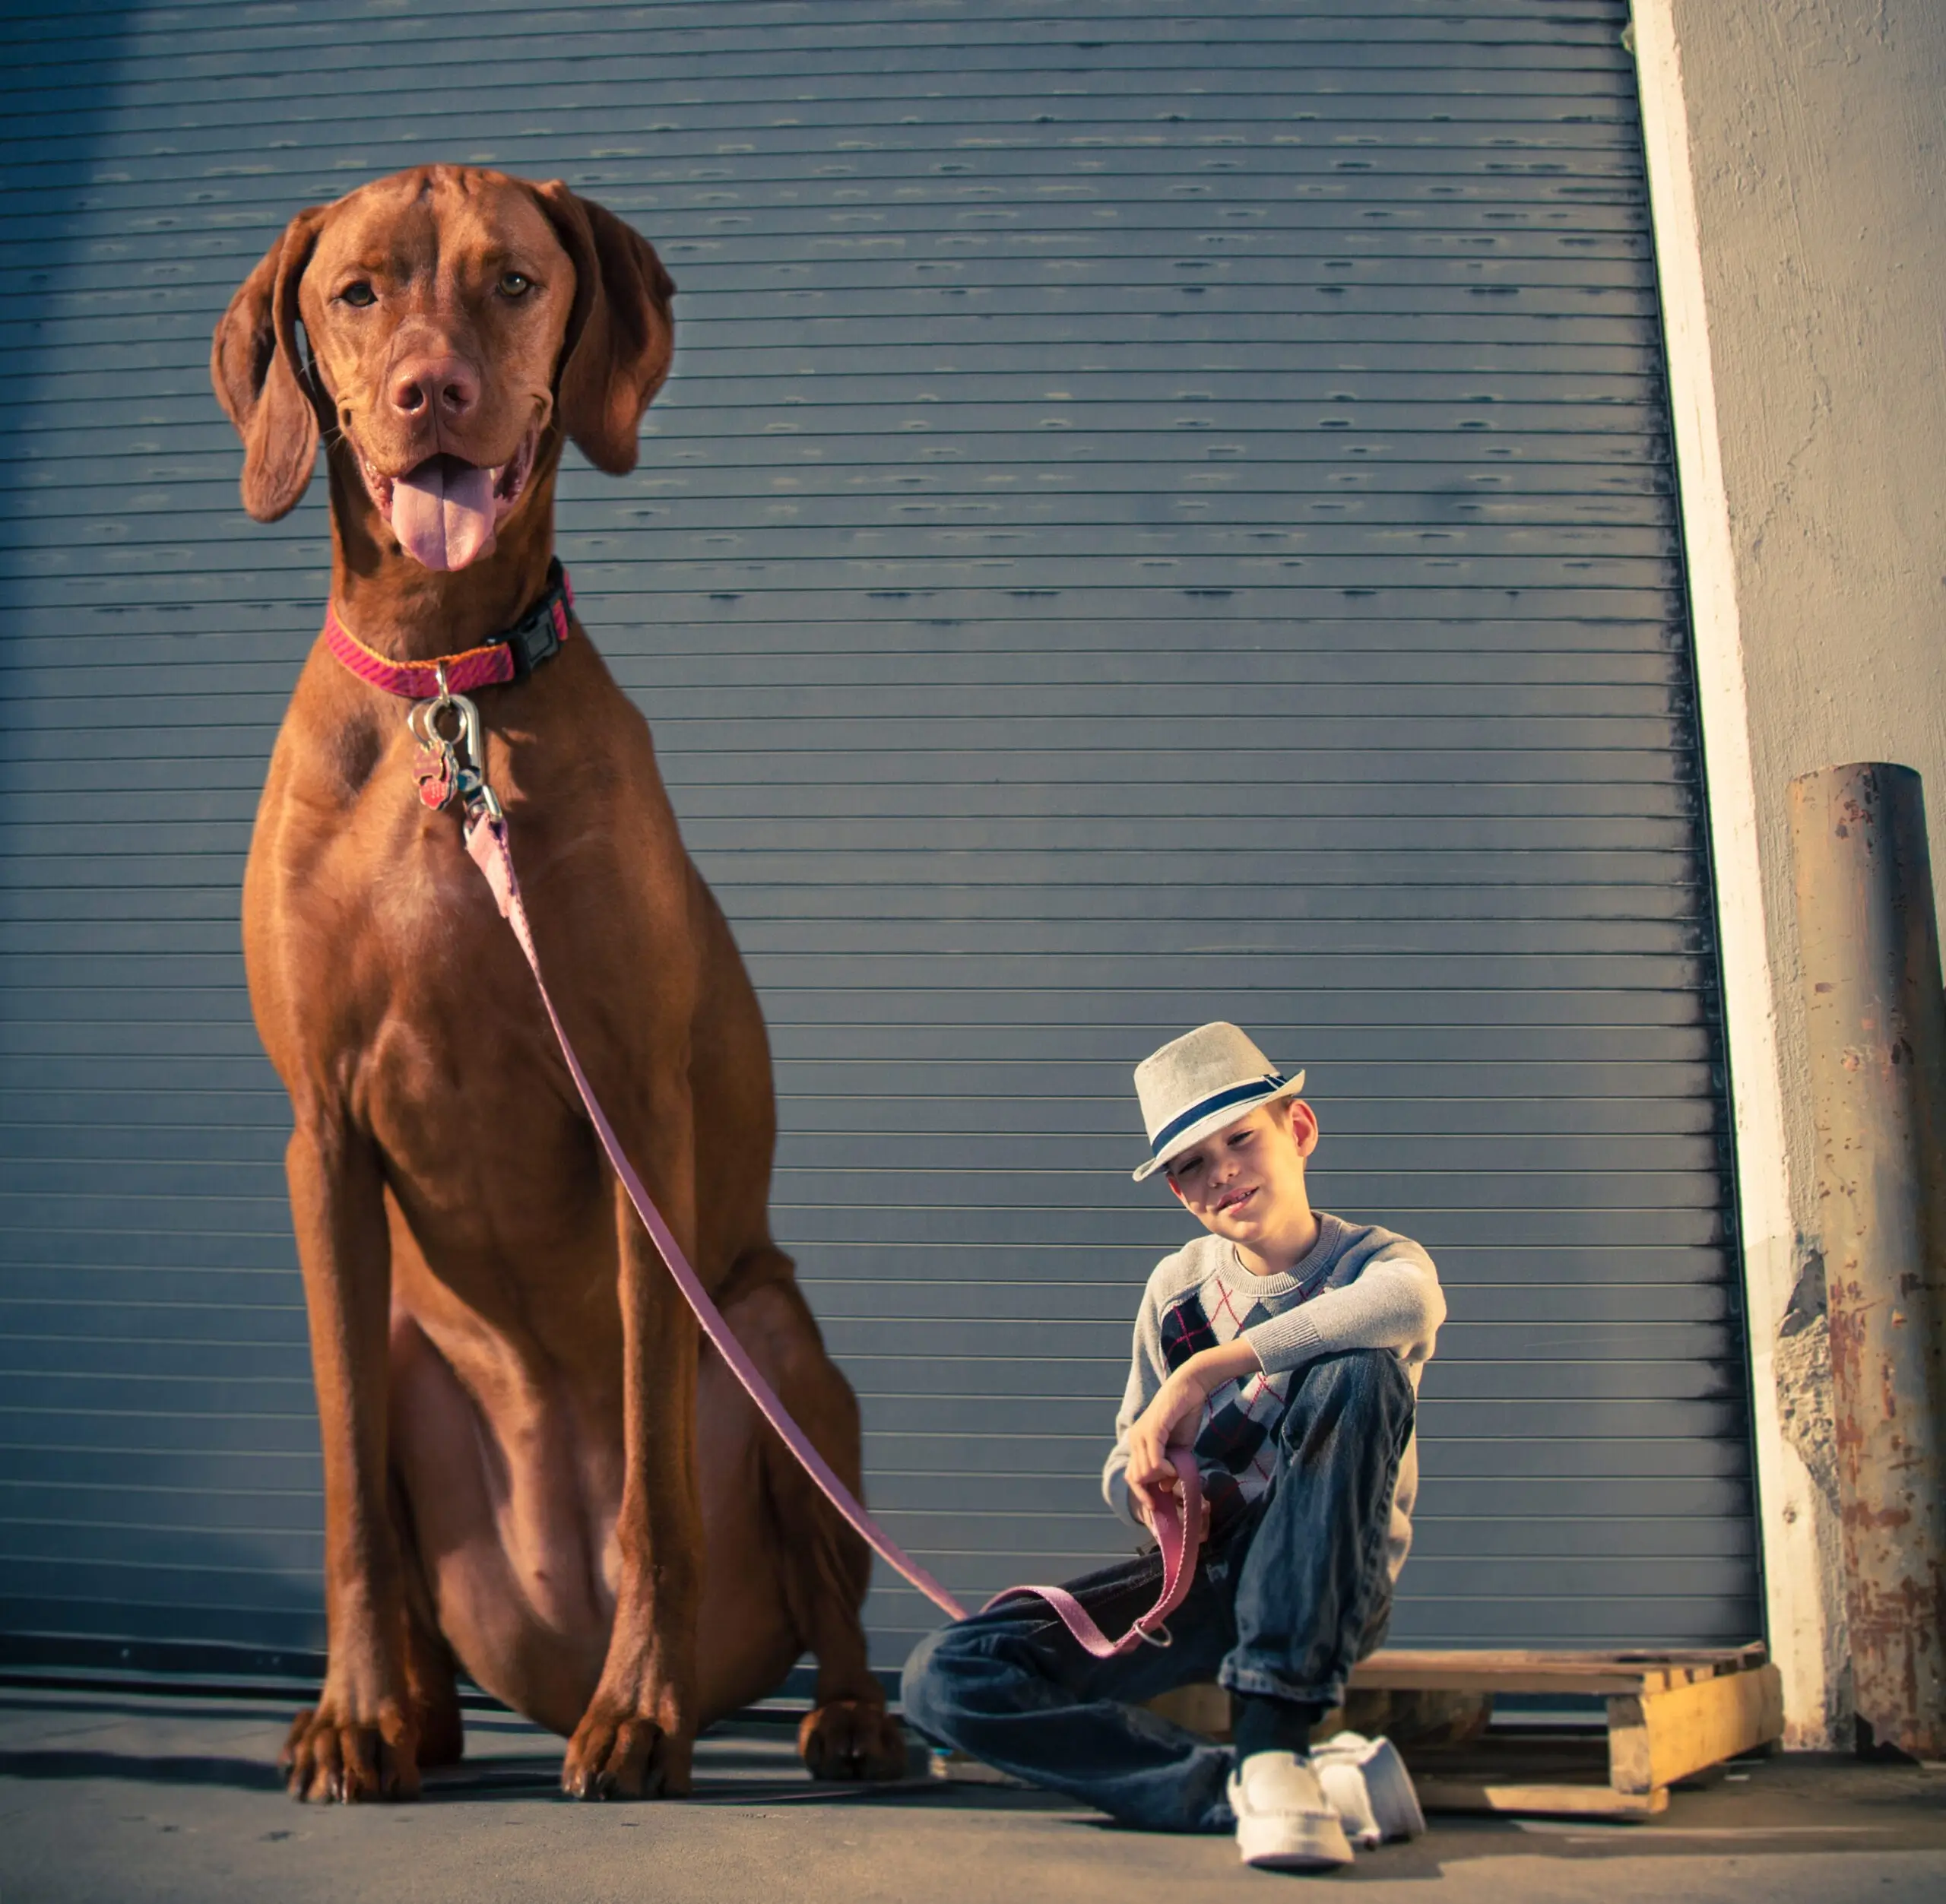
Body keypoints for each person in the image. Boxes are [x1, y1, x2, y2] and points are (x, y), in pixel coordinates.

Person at [902, 1022, 1447, 1870]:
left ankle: (1272, 1738)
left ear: (1297, 1132)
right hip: (1205, 1578)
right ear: (1176, 1192)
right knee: (945, 1674)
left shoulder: (1373, 1264)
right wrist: (1148, 1480)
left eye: (1240, 1139)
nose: (1221, 1171)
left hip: (1327, 1580)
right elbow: (1129, 1458)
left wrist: (1205, 1375)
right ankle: (1233, 1785)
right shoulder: (1176, 1289)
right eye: (1190, 1162)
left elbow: (1408, 1309)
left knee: (1359, 1374)